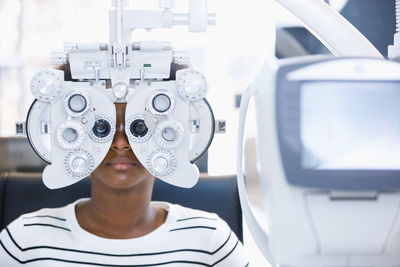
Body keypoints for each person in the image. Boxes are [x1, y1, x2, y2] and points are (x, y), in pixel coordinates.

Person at [0, 64, 249, 266]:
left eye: (140, 128)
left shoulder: (210, 240)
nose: (120, 143)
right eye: (101, 128)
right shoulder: (25, 241)